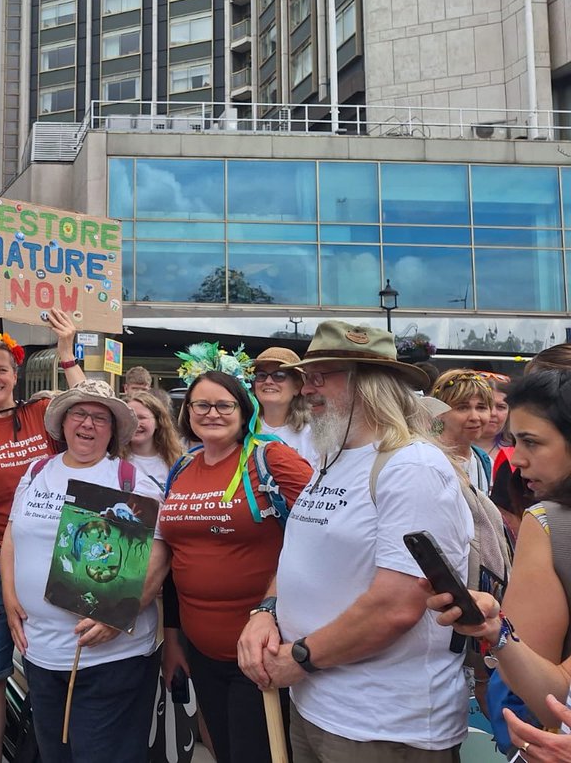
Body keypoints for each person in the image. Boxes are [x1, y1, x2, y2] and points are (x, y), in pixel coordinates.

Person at [238, 320, 471, 761]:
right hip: (314, 705)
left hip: (381, 725)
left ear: (369, 384)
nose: (307, 389)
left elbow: (397, 605)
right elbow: (301, 556)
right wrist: (266, 612)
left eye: (320, 376)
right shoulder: (331, 458)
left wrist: (300, 657)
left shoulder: (411, 467)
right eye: (306, 377)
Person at [147, 356, 312, 763]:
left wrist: (271, 606)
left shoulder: (271, 459)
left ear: (244, 409)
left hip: (262, 651)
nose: (212, 414)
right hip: (201, 651)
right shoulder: (183, 467)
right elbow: (174, 559)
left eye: (224, 405)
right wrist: (173, 639)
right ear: (187, 412)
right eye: (201, 405)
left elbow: (324, 531)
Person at [1, 380, 162, 762]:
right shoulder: (36, 470)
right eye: (79, 413)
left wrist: (117, 614)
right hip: (42, 654)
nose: (88, 424)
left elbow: (158, 556)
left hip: (108, 660)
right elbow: (12, 536)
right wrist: (9, 596)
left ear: (113, 430)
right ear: (63, 422)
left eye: (100, 418)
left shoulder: (129, 480)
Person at [0, 309, 83, 763]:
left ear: (16, 373)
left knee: (56, 674)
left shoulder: (43, 414)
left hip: (48, 564)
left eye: (2, 370)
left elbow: (90, 405)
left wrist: (66, 350)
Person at [424, 369, 571, 736]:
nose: (517, 458)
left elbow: (548, 698)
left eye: (531, 442)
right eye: (514, 441)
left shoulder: (549, 523)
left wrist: (497, 633)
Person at [430, 368, 493, 492]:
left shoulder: (484, 461)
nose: (475, 417)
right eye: (463, 408)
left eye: (481, 408)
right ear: (440, 412)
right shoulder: (427, 459)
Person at [253, 347, 316, 465]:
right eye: (261, 375)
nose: (268, 381)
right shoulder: (244, 428)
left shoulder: (312, 433)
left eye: (279, 375)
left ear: (297, 387)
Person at [123, 389, 182, 487]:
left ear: (158, 422)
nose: (135, 423)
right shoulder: (113, 460)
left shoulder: (176, 461)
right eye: (130, 417)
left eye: (142, 418)